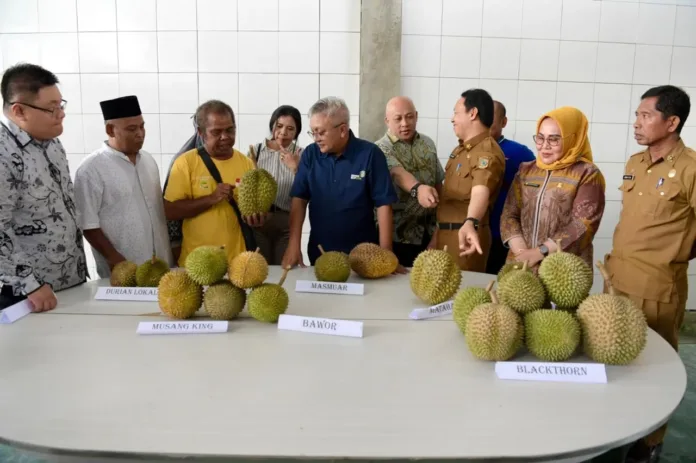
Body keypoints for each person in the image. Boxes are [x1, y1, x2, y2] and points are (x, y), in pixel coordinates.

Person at [604, 85, 693, 463]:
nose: (636, 123)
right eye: (637, 115)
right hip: (617, 281)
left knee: (654, 371)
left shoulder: (690, 168)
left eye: (646, 116)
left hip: (657, 287)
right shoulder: (634, 163)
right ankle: (616, 429)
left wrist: (678, 255)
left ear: (671, 122)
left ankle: (648, 445)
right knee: (614, 361)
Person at [0, 63, 87, 311]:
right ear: (19, 111)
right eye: (51, 109)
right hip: (27, 298)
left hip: (68, 284)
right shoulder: (4, 153)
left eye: (61, 105)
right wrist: (30, 284)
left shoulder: (52, 144)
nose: (61, 114)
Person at [281, 96, 400, 269]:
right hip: (321, 253)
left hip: (363, 256)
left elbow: (384, 204)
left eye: (321, 132)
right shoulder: (310, 155)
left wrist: (386, 252)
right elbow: (299, 200)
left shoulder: (370, 154)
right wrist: (293, 246)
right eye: (313, 132)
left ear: (343, 130)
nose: (316, 138)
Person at [73, 95, 174, 279]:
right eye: (132, 129)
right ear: (110, 130)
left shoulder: (148, 161)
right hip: (123, 271)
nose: (140, 133)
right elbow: (88, 224)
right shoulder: (91, 169)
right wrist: (115, 260)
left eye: (142, 126)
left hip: (160, 267)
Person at [499, 106, 606, 273]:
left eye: (554, 139)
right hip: (521, 267)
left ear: (573, 139)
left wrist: (540, 252)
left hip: (563, 271)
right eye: (540, 138)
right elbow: (509, 213)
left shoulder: (587, 173)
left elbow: (584, 223)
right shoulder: (526, 170)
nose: (545, 146)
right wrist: (523, 253)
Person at [163, 100, 261, 266]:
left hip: (237, 262)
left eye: (230, 130)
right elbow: (169, 211)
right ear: (201, 133)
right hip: (198, 263)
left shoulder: (247, 164)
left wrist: (257, 218)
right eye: (216, 132)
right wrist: (211, 198)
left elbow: (255, 208)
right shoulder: (185, 163)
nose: (225, 137)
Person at [431, 88, 505, 272]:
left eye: (456, 112)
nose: (452, 119)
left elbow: (481, 190)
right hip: (444, 235)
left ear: (473, 113)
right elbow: (448, 203)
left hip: (465, 240)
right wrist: (436, 237)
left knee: (461, 297)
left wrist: (471, 221)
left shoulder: (486, 152)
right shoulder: (461, 151)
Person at [374, 96, 442, 267]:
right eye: (398, 118)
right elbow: (397, 173)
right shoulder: (379, 149)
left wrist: (438, 234)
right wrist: (418, 189)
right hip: (397, 237)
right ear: (387, 121)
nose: (405, 123)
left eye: (409, 116)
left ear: (416, 116)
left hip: (429, 234)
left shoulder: (428, 144)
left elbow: (439, 185)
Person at [245, 105, 304, 265]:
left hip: (287, 222)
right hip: (259, 223)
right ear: (272, 125)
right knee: (260, 271)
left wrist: (296, 168)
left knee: (285, 269)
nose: (283, 133)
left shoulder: (301, 155)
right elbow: (243, 185)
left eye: (290, 129)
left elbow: (308, 190)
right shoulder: (254, 152)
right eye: (279, 126)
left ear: (296, 132)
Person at [485, 100, 535, 275]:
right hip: (475, 234)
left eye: (490, 121)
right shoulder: (467, 151)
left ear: (503, 122)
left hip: (505, 237)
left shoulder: (520, 153)